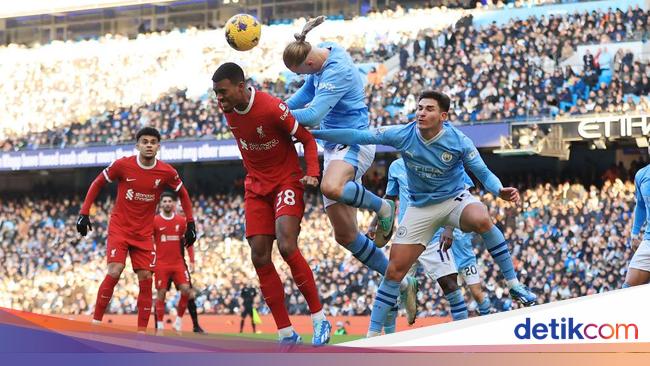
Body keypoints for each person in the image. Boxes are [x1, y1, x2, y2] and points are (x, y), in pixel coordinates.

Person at [311, 90, 537, 337]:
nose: (421, 112)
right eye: (419, 107)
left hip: (453, 201)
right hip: (420, 210)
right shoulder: (404, 134)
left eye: (428, 109)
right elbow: (358, 135)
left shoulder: (458, 141)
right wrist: (314, 134)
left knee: (481, 217)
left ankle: (514, 284)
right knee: (394, 271)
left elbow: (482, 173)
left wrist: (498, 189)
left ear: (443, 116)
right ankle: (373, 335)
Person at [282, 16, 417, 319]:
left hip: (353, 140)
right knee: (345, 235)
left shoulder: (338, 71)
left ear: (308, 64)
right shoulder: (323, 54)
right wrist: (268, 107)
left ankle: (383, 207)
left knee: (331, 186)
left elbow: (314, 113)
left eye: (299, 73)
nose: (302, 77)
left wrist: (278, 119)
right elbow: (300, 98)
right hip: (333, 146)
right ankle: (404, 281)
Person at [211, 62, 330, 346]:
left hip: (286, 182)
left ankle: (320, 319)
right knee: (259, 257)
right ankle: (286, 333)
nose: (219, 99)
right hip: (256, 188)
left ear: (241, 87)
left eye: (223, 92)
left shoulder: (272, 108)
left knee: (287, 245)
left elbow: (307, 139)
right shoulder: (227, 110)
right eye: (216, 93)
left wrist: (312, 173)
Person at [76, 127, 196, 332]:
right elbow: (98, 182)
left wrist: (191, 223)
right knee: (115, 270)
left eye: (153, 142)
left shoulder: (166, 172)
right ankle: (95, 323)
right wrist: (84, 212)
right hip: (120, 229)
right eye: (145, 141)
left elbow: (183, 194)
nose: (149, 145)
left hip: (144, 233)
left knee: (146, 279)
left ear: (158, 147)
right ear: (138, 145)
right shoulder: (123, 165)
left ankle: (142, 333)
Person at [153, 192, 204, 334]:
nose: (167, 203)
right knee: (161, 293)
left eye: (170, 201)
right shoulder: (154, 221)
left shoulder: (181, 222)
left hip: (178, 264)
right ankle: (160, 327)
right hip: (162, 264)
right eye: (165, 201)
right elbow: (149, 241)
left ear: (173, 203)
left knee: (187, 291)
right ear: (161, 204)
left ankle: (179, 322)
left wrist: (192, 260)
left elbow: (189, 243)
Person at [623, 158, 650, 287]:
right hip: (649, 240)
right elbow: (640, 205)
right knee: (627, 287)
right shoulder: (642, 175)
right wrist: (634, 233)